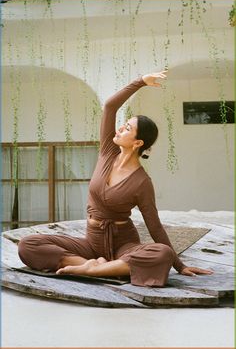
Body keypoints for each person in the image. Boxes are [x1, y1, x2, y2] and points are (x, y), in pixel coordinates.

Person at [18, 71, 213, 287]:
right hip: (91, 243)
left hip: (124, 246)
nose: (120, 128)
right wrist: (140, 82)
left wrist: (179, 265)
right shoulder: (107, 152)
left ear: (138, 143)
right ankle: (96, 267)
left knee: (162, 253)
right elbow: (110, 106)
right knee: (29, 244)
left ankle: (95, 270)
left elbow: (154, 226)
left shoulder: (142, 182)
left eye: (128, 128)